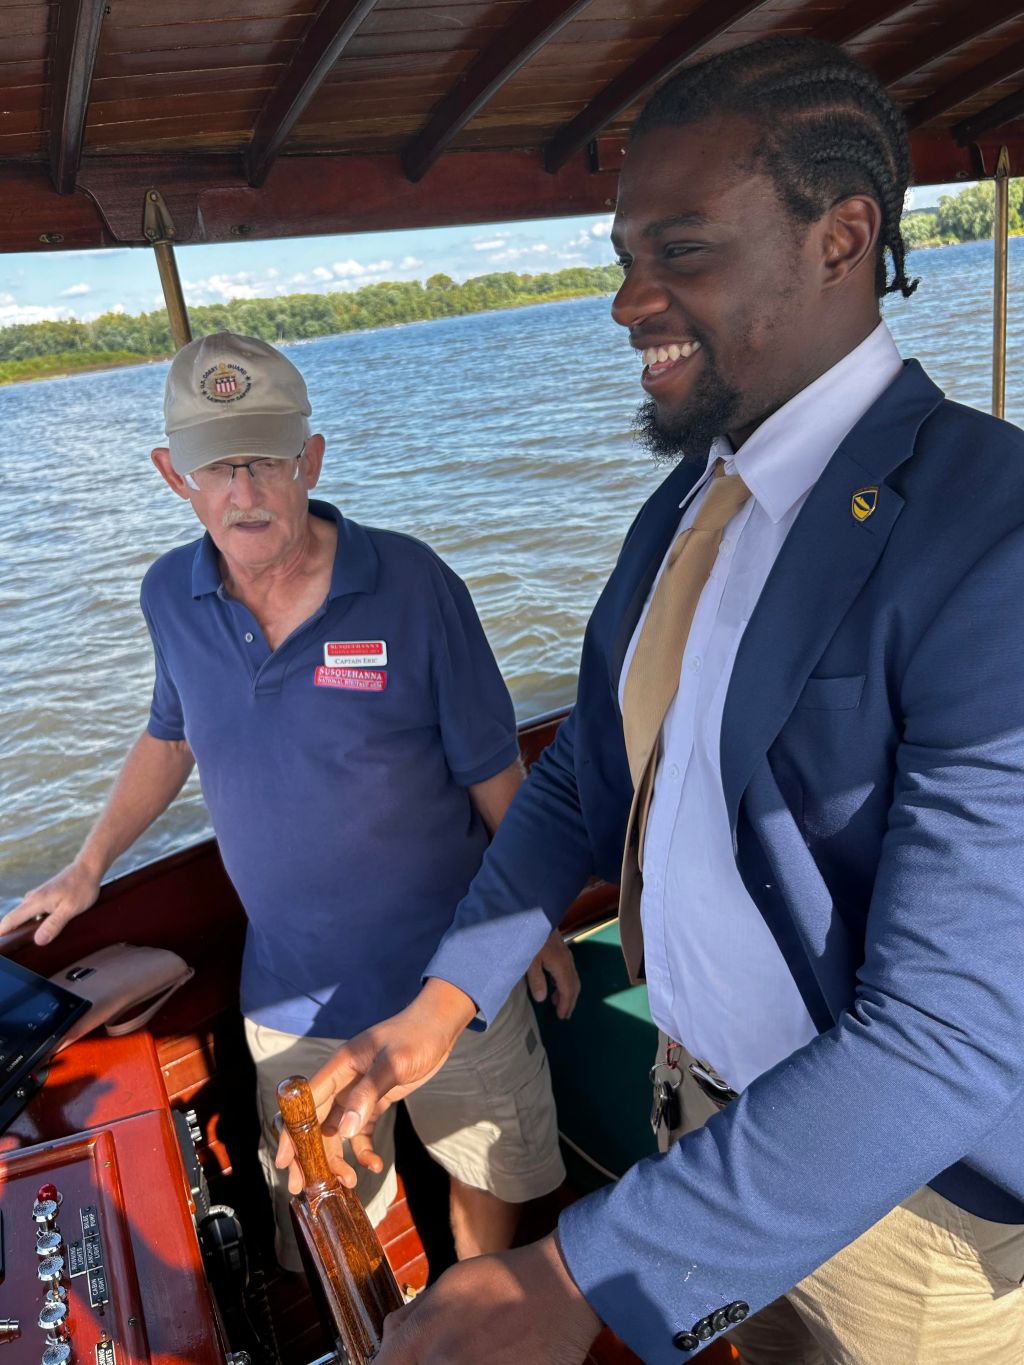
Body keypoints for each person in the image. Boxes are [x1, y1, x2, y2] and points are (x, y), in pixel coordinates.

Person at [275, 36, 1024, 1365]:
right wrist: (437, 1010)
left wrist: (576, 1278)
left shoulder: (991, 532)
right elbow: (584, 776)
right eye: (624, 257)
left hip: (898, 1211)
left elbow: (950, 1031)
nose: (629, 301)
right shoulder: (686, 505)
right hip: (698, 1114)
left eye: (681, 251)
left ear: (842, 238)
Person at [0, 330, 575, 1271]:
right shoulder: (169, 595)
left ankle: (473, 1304)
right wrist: (88, 864)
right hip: (292, 998)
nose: (244, 491)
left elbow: (493, 770)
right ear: (172, 476)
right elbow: (170, 733)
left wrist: (528, 923)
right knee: (325, 1212)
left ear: (309, 458)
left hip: (456, 976)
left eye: (265, 459)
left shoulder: (414, 584)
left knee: (492, 1169)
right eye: (216, 467)